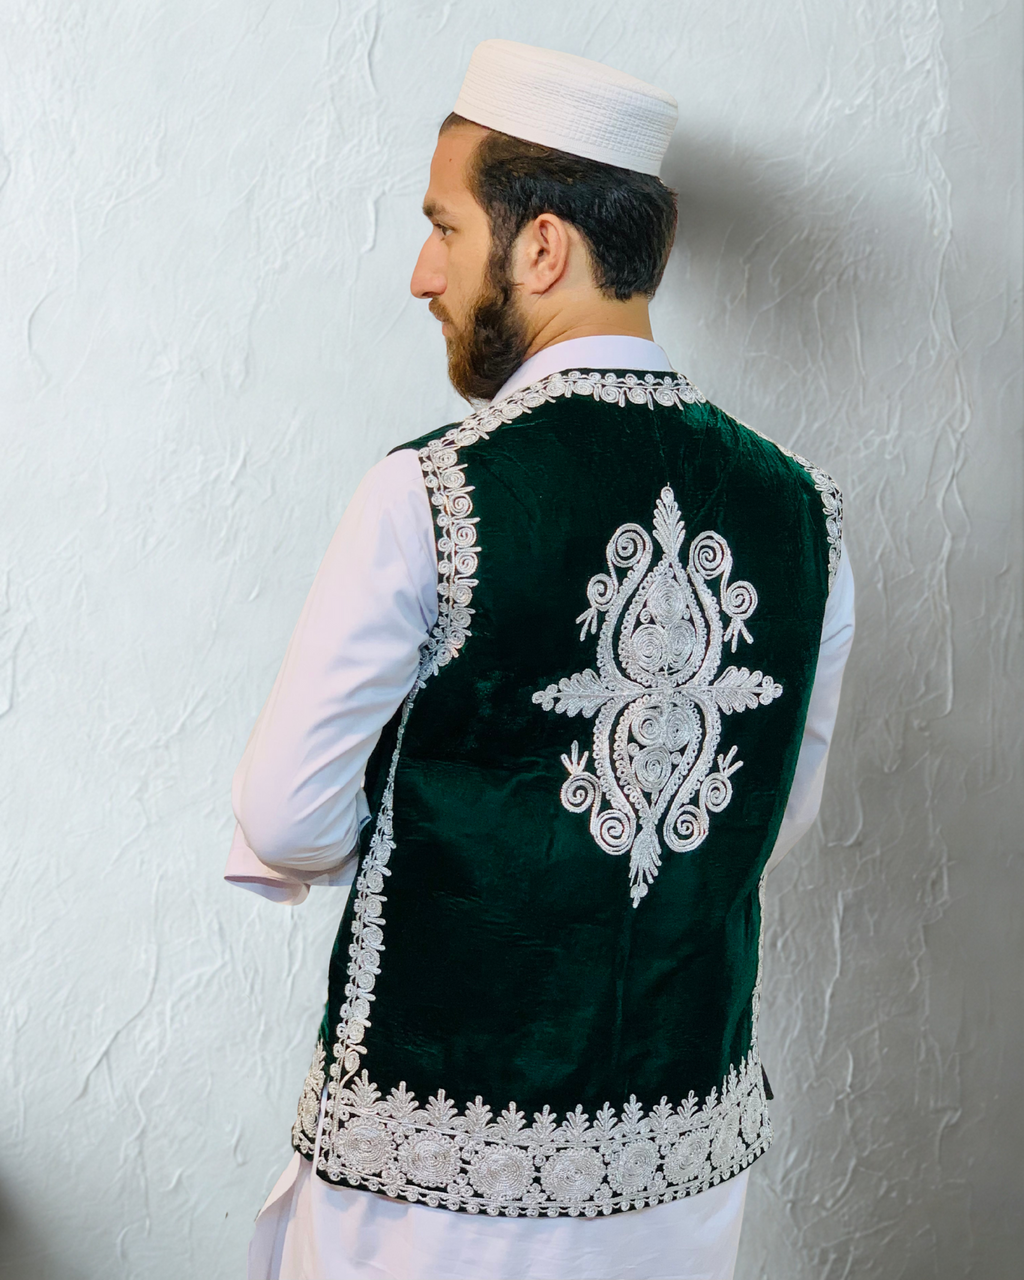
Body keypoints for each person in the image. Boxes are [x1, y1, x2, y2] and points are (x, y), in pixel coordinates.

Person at [225, 39, 855, 1280]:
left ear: (544, 248)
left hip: (429, 1160)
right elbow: (774, 816)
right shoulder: (805, 513)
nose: (422, 274)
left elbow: (286, 818)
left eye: (444, 229)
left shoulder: (431, 490)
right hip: (676, 1164)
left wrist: (477, 839)